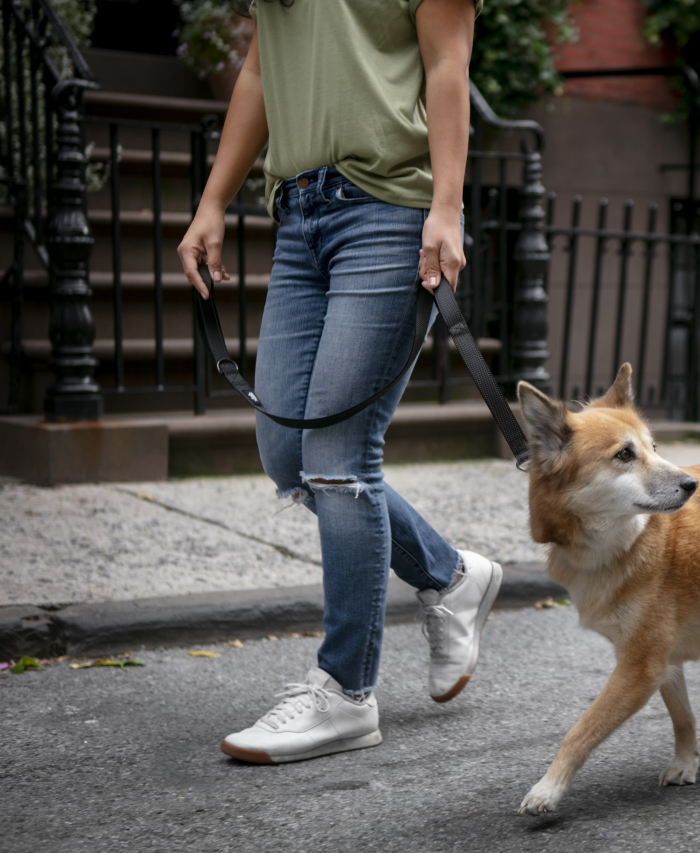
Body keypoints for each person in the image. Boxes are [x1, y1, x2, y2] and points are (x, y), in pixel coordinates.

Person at [176, 0, 500, 764]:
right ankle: (450, 576)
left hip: (390, 210)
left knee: (339, 456)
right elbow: (261, 69)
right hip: (301, 215)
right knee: (287, 452)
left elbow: (448, 64)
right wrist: (213, 200)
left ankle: (346, 690)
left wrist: (446, 208)